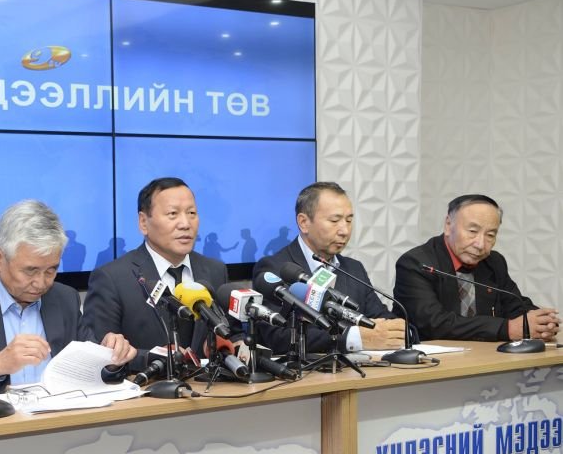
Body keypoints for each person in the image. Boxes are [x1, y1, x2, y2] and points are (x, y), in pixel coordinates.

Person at [0, 200, 135, 394]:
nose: (41, 283)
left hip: (62, 416)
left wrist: (110, 358)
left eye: (51, 270)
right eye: (30, 271)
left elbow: (91, 368)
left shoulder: (64, 299)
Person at [82, 177, 229, 370]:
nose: (185, 224)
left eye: (191, 213)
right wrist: (153, 358)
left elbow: (231, 334)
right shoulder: (112, 279)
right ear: (143, 222)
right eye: (173, 214)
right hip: (146, 387)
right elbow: (99, 354)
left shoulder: (215, 270)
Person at [252, 181, 405, 354]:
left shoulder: (353, 269)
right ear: (304, 222)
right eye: (335, 220)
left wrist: (397, 330)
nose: (345, 231)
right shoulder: (275, 269)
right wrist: (353, 338)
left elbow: (382, 319)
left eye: (349, 220)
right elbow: (277, 337)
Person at [394, 194, 559, 341]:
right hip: (432, 359)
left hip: (485, 357)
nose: (480, 244)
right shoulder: (416, 263)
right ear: (448, 225)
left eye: (490, 235)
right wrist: (506, 329)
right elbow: (434, 323)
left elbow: (514, 305)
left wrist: (542, 322)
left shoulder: (493, 262)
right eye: (473, 231)